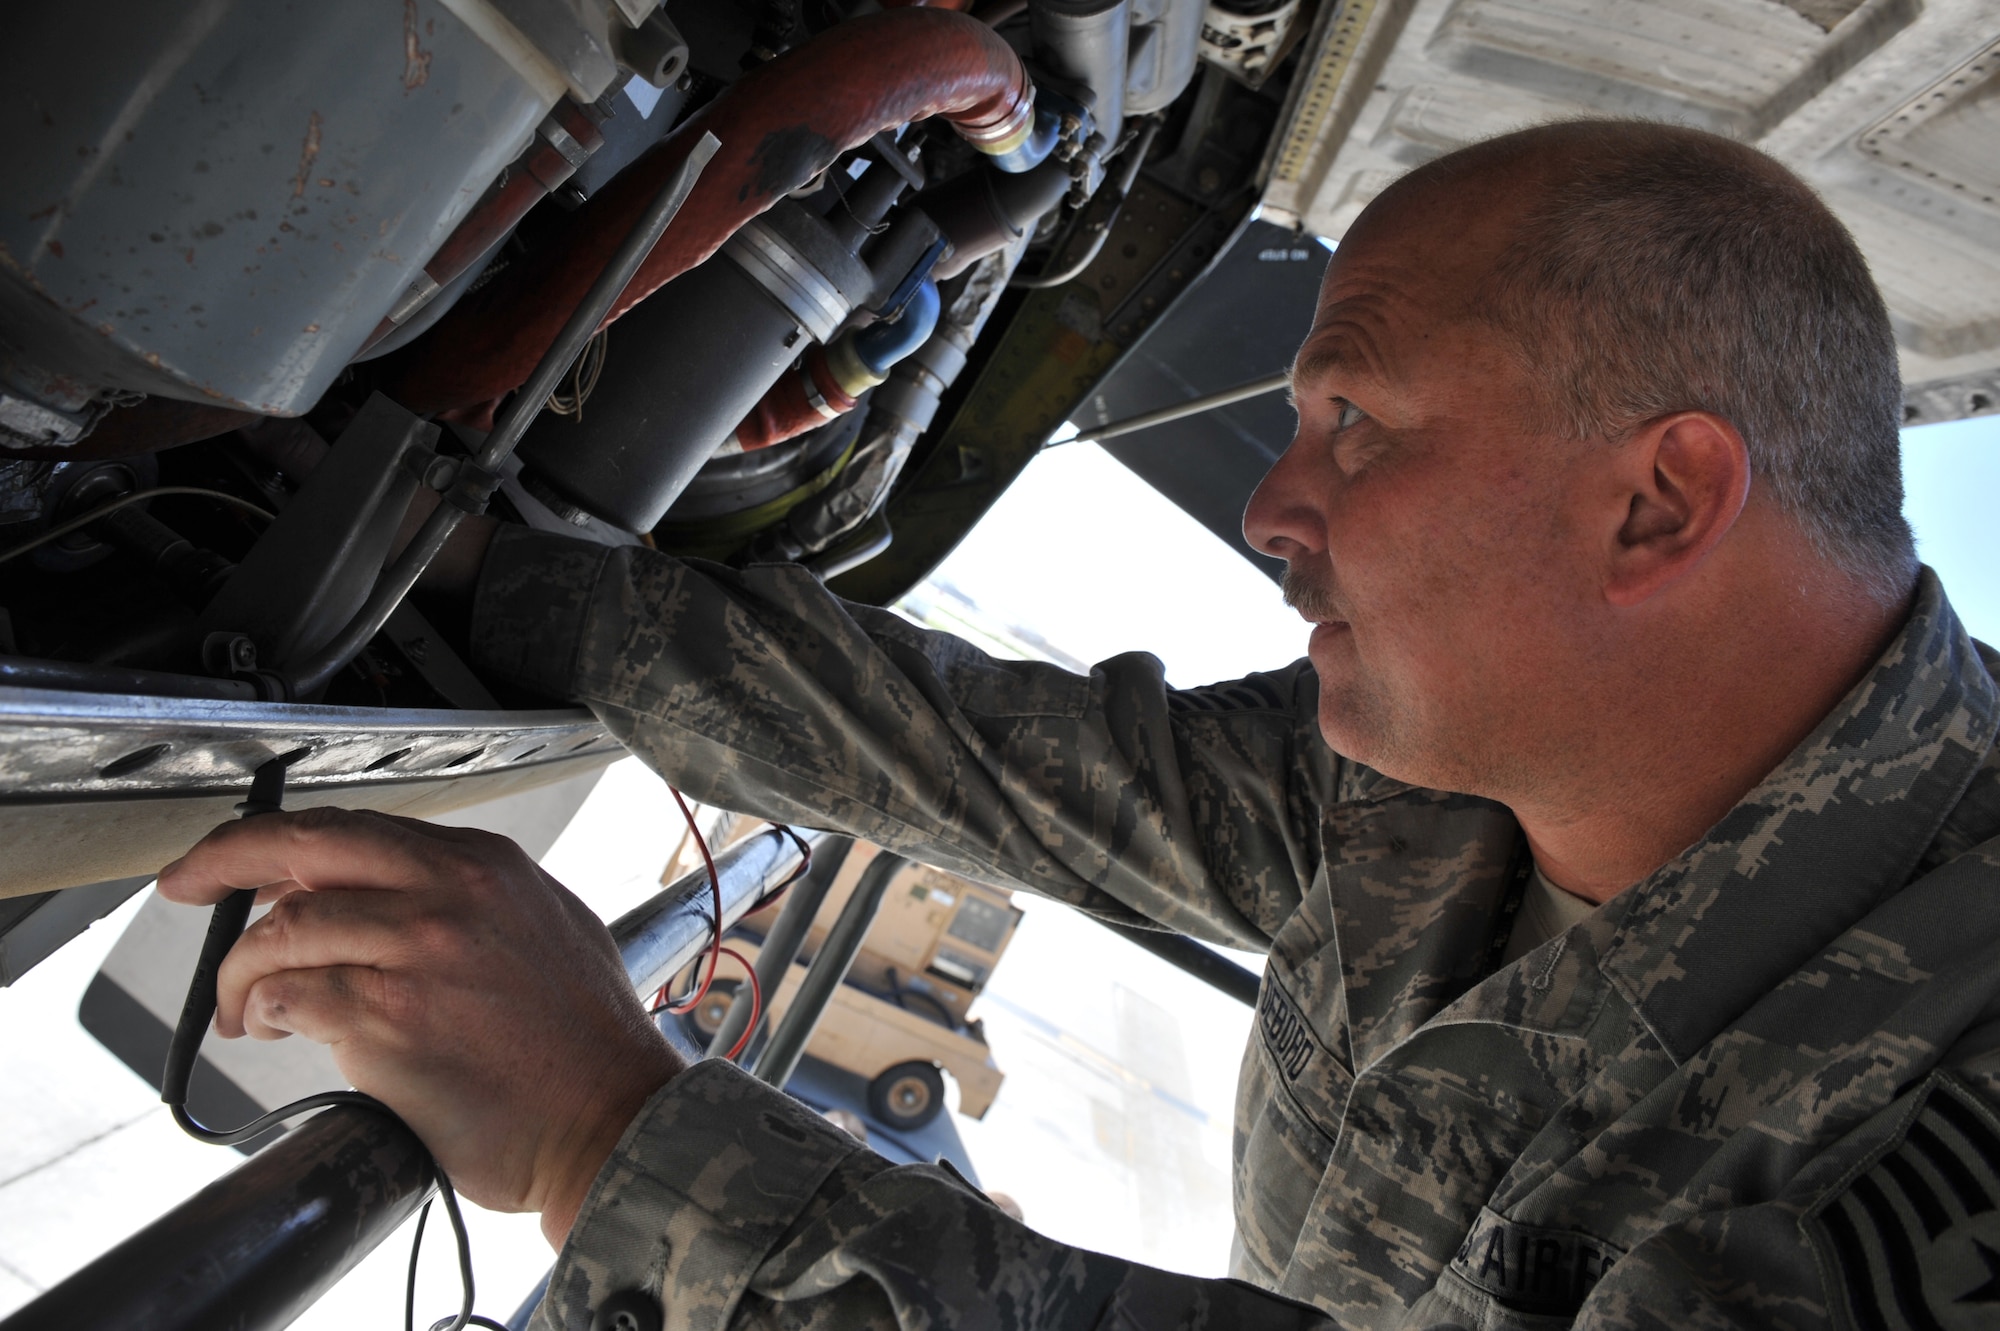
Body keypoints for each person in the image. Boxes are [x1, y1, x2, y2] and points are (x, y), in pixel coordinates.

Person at [157, 118, 2000, 1331]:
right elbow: (971, 756)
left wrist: (609, 1142)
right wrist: (482, 567)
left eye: (1357, 420)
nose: (1276, 508)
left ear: (1661, 504)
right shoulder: (1424, 788)